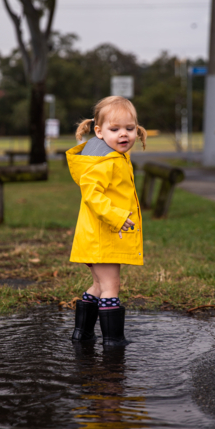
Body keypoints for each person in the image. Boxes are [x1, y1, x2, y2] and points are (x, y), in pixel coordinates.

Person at [66, 96, 147, 346]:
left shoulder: (113, 156)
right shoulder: (105, 161)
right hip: (103, 236)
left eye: (129, 129)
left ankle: (83, 333)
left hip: (97, 237)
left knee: (100, 286)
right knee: (111, 285)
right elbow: (92, 194)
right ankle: (113, 340)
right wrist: (118, 216)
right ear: (99, 132)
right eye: (115, 129)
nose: (124, 135)